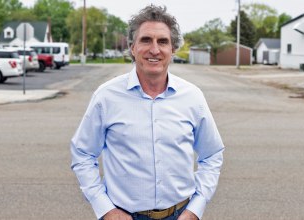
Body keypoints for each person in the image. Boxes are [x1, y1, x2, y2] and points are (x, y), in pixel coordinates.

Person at [70, 5, 224, 220]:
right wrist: (105, 209)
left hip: (180, 214)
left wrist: (195, 209)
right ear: (132, 48)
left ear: (173, 49)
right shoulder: (106, 97)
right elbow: (83, 153)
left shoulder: (192, 97)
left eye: (163, 41)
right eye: (146, 40)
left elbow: (212, 154)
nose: (154, 49)